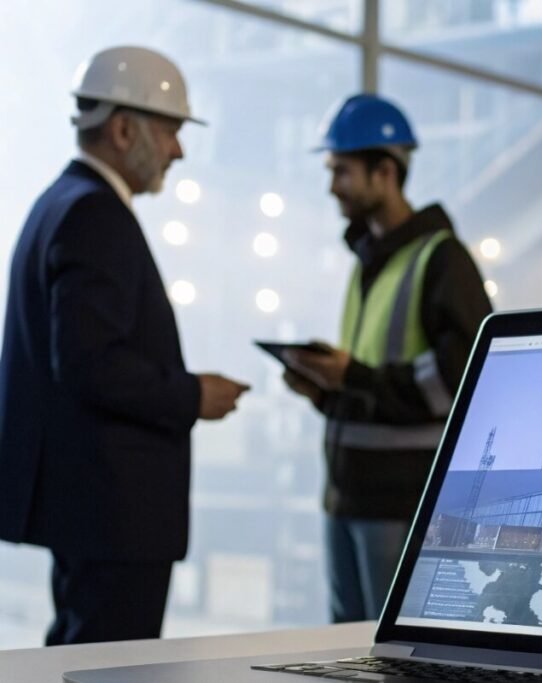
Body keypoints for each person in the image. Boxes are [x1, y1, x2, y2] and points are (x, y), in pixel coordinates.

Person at [0, 46, 249, 645]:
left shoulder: (58, 204)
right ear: (122, 128)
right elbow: (92, 365)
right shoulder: (94, 214)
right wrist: (192, 394)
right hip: (112, 511)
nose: (178, 151)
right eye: (170, 132)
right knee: (109, 663)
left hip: (88, 507)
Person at [282, 94, 492, 623]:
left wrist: (351, 375)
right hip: (348, 494)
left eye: (342, 172)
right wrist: (326, 390)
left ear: (385, 172)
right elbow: (374, 381)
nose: (332, 186)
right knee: (344, 650)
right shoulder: (368, 262)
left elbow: (464, 381)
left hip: (402, 502)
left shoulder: (440, 259)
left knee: (391, 651)